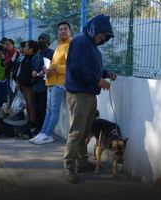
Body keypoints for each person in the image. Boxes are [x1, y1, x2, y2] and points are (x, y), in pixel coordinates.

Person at [63, 14, 116, 183]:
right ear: (94, 28)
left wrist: (105, 73)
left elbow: (91, 67)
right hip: (79, 94)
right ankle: (69, 166)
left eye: (105, 37)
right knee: (77, 131)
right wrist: (98, 80)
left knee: (85, 131)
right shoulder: (81, 41)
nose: (102, 38)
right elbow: (78, 67)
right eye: (101, 34)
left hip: (88, 94)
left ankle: (82, 162)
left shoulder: (90, 44)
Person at [30, 22, 72, 145]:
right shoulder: (59, 46)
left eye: (65, 29)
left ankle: (48, 134)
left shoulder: (70, 45)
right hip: (50, 81)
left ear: (70, 31)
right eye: (60, 29)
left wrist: (55, 69)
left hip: (60, 83)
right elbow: (55, 65)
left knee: (54, 111)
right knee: (48, 110)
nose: (62, 31)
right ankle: (43, 133)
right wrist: (47, 69)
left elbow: (71, 66)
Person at [30, 33, 54, 133]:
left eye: (43, 39)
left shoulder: (52, 53)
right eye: (39, 39)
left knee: (44, 109)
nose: (41, 41)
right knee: (36, 108)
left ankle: (43, 130)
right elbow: (32, 67)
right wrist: (33, 72)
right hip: (36, 86)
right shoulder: (36, 55)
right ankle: (37, 128)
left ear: (48, 41)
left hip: (46, 86)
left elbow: (54, 67)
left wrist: (45, 71)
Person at [16, 40, 38, 129]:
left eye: (26, 46)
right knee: (27, 104)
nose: (24, 48)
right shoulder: (25, 57)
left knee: (31, 104)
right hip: (23, 84)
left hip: (30, 85)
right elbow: (21, 71)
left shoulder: (34, 58)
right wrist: (19, 82)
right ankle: (29, 120)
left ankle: (33, 121)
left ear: (31, 49)